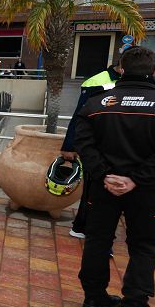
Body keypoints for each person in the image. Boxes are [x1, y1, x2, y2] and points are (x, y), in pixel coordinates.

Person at [74, 46, 155, 307]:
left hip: (104, 187)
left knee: (98, 239)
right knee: (143, 246)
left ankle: (93, 297)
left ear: (121, 69)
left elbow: (84, 145)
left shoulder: (96, 104)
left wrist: (106, 176)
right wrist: (135, 180)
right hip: (147, 191)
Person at [61, 56, 124, 239]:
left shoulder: (131, 83)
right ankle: (88, 229)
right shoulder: (97, 82)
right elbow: (80, 116)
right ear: (122, 67)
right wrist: (69, 145)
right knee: (95, 191)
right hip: (98, 148)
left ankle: (85, 226)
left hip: (117, 146)